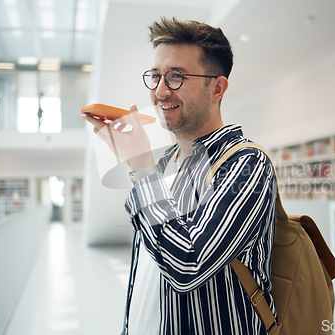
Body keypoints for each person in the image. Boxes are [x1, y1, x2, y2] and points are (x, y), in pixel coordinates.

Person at [83, 17, 278, 335]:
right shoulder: (165, 165)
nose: (160, 91)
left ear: (217, 87)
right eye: (156, 76)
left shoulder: (246, 164)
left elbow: (187, 264)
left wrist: (140, 166)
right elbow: (149, 269)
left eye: (176, 77)